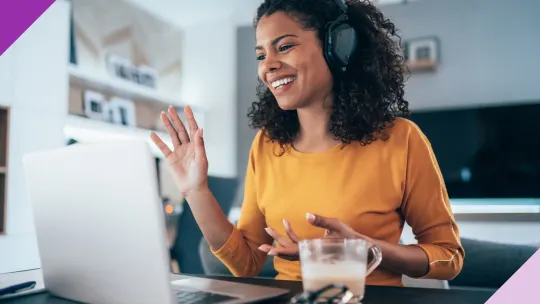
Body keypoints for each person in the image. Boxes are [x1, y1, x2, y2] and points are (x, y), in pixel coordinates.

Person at [150, 0, 464, 287]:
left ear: (339, 47)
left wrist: (366, 250)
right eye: (261, 55)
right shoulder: (267, 145)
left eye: (284, 46)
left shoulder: (402, 139)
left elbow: (448, 256)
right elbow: (246, 263)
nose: (267, 66)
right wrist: (196, 192)